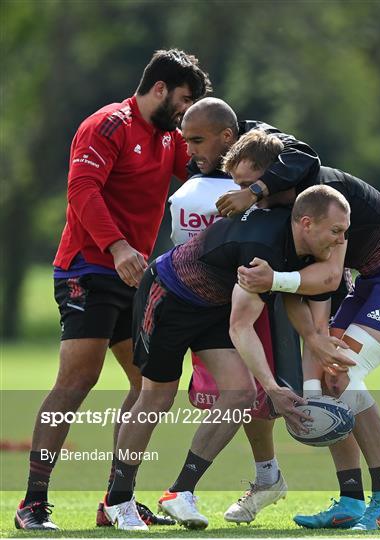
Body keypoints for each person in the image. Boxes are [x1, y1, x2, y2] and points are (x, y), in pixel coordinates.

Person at [103, 132, 352, 531]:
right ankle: (118, 500)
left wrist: (311, 344)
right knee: (157, 397)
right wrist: (274, 388)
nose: (341, 243)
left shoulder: (294, 223)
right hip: (168, 295)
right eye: (336, 234)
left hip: (210, 307)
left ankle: (180, 491)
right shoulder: (267, 245)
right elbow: (241, 326)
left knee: (239, 393)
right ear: (307, 224)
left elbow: (302, 155)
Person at [14, 49, 211, 531]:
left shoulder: (171, 139)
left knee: (147, 386)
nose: (187, 113)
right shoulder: (108, 125)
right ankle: (32, 504)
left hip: (134, 277)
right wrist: (119, 247)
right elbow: (82, 191)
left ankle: (115, 500)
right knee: (77, 382)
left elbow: (206, 177)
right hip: (89, 269)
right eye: (185, 100)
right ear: (160, 89)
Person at [237, 165, 380, 530]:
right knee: (325, 375)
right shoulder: (288, 221)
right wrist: (312, 388)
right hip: (373, 281)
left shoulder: (318, 196)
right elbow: (311, 305)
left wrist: (274, 279)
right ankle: (350, 500)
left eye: (248, 183)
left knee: (343, 373)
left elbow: (331, 277)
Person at [177, 97, 352, 524]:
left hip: (280, 291)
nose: (189, 150)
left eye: (196, 140)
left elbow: (304, 158)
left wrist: (251, 192)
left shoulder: (273, 154)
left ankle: (357, 495)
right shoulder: (201, 175)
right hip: (236, 292)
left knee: (290, 392)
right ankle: (268, 476)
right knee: (254, 393)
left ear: (227, 136)